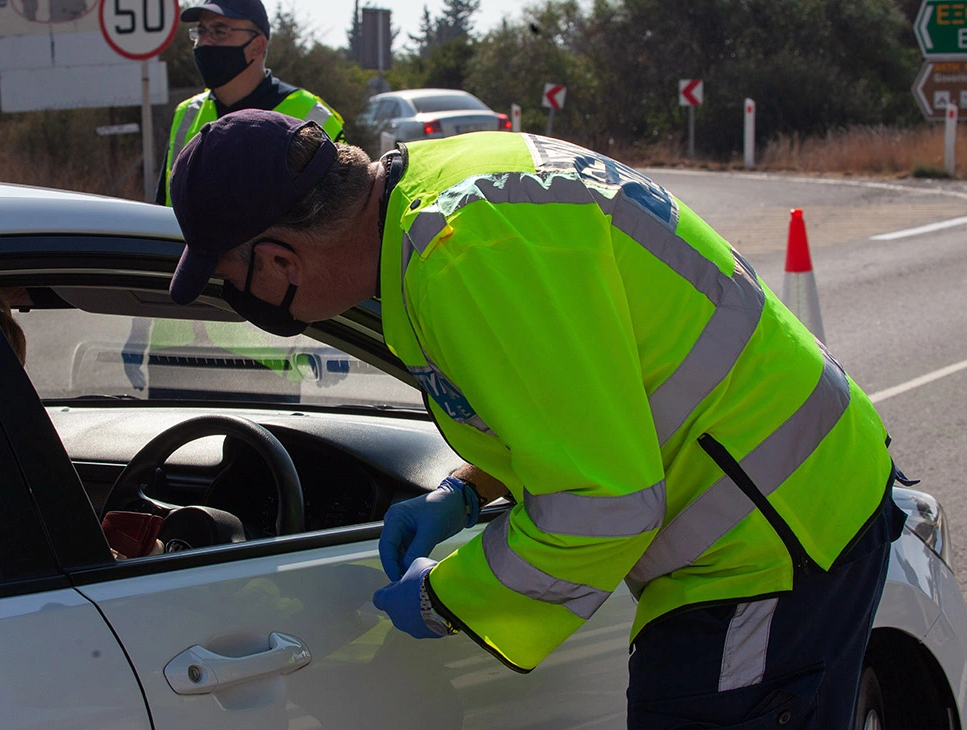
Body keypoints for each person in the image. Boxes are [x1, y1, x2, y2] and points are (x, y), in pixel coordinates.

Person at [164, 108, 908, 729]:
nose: (247, 301)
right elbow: (573, 393)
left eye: (234, 280)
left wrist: (448, 596)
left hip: (769, 541)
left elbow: (608, 504)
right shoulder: (440, 187)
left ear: (279, 261)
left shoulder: (464, 258)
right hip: (796, 492)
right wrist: (466, 487)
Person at [155, 0, 346, 208]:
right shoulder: (186, 114)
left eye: (219, 31)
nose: (204, 43)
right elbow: (165, 213)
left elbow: (344, 218)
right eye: (201, 31)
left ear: (257, 46)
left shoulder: (314, 117)